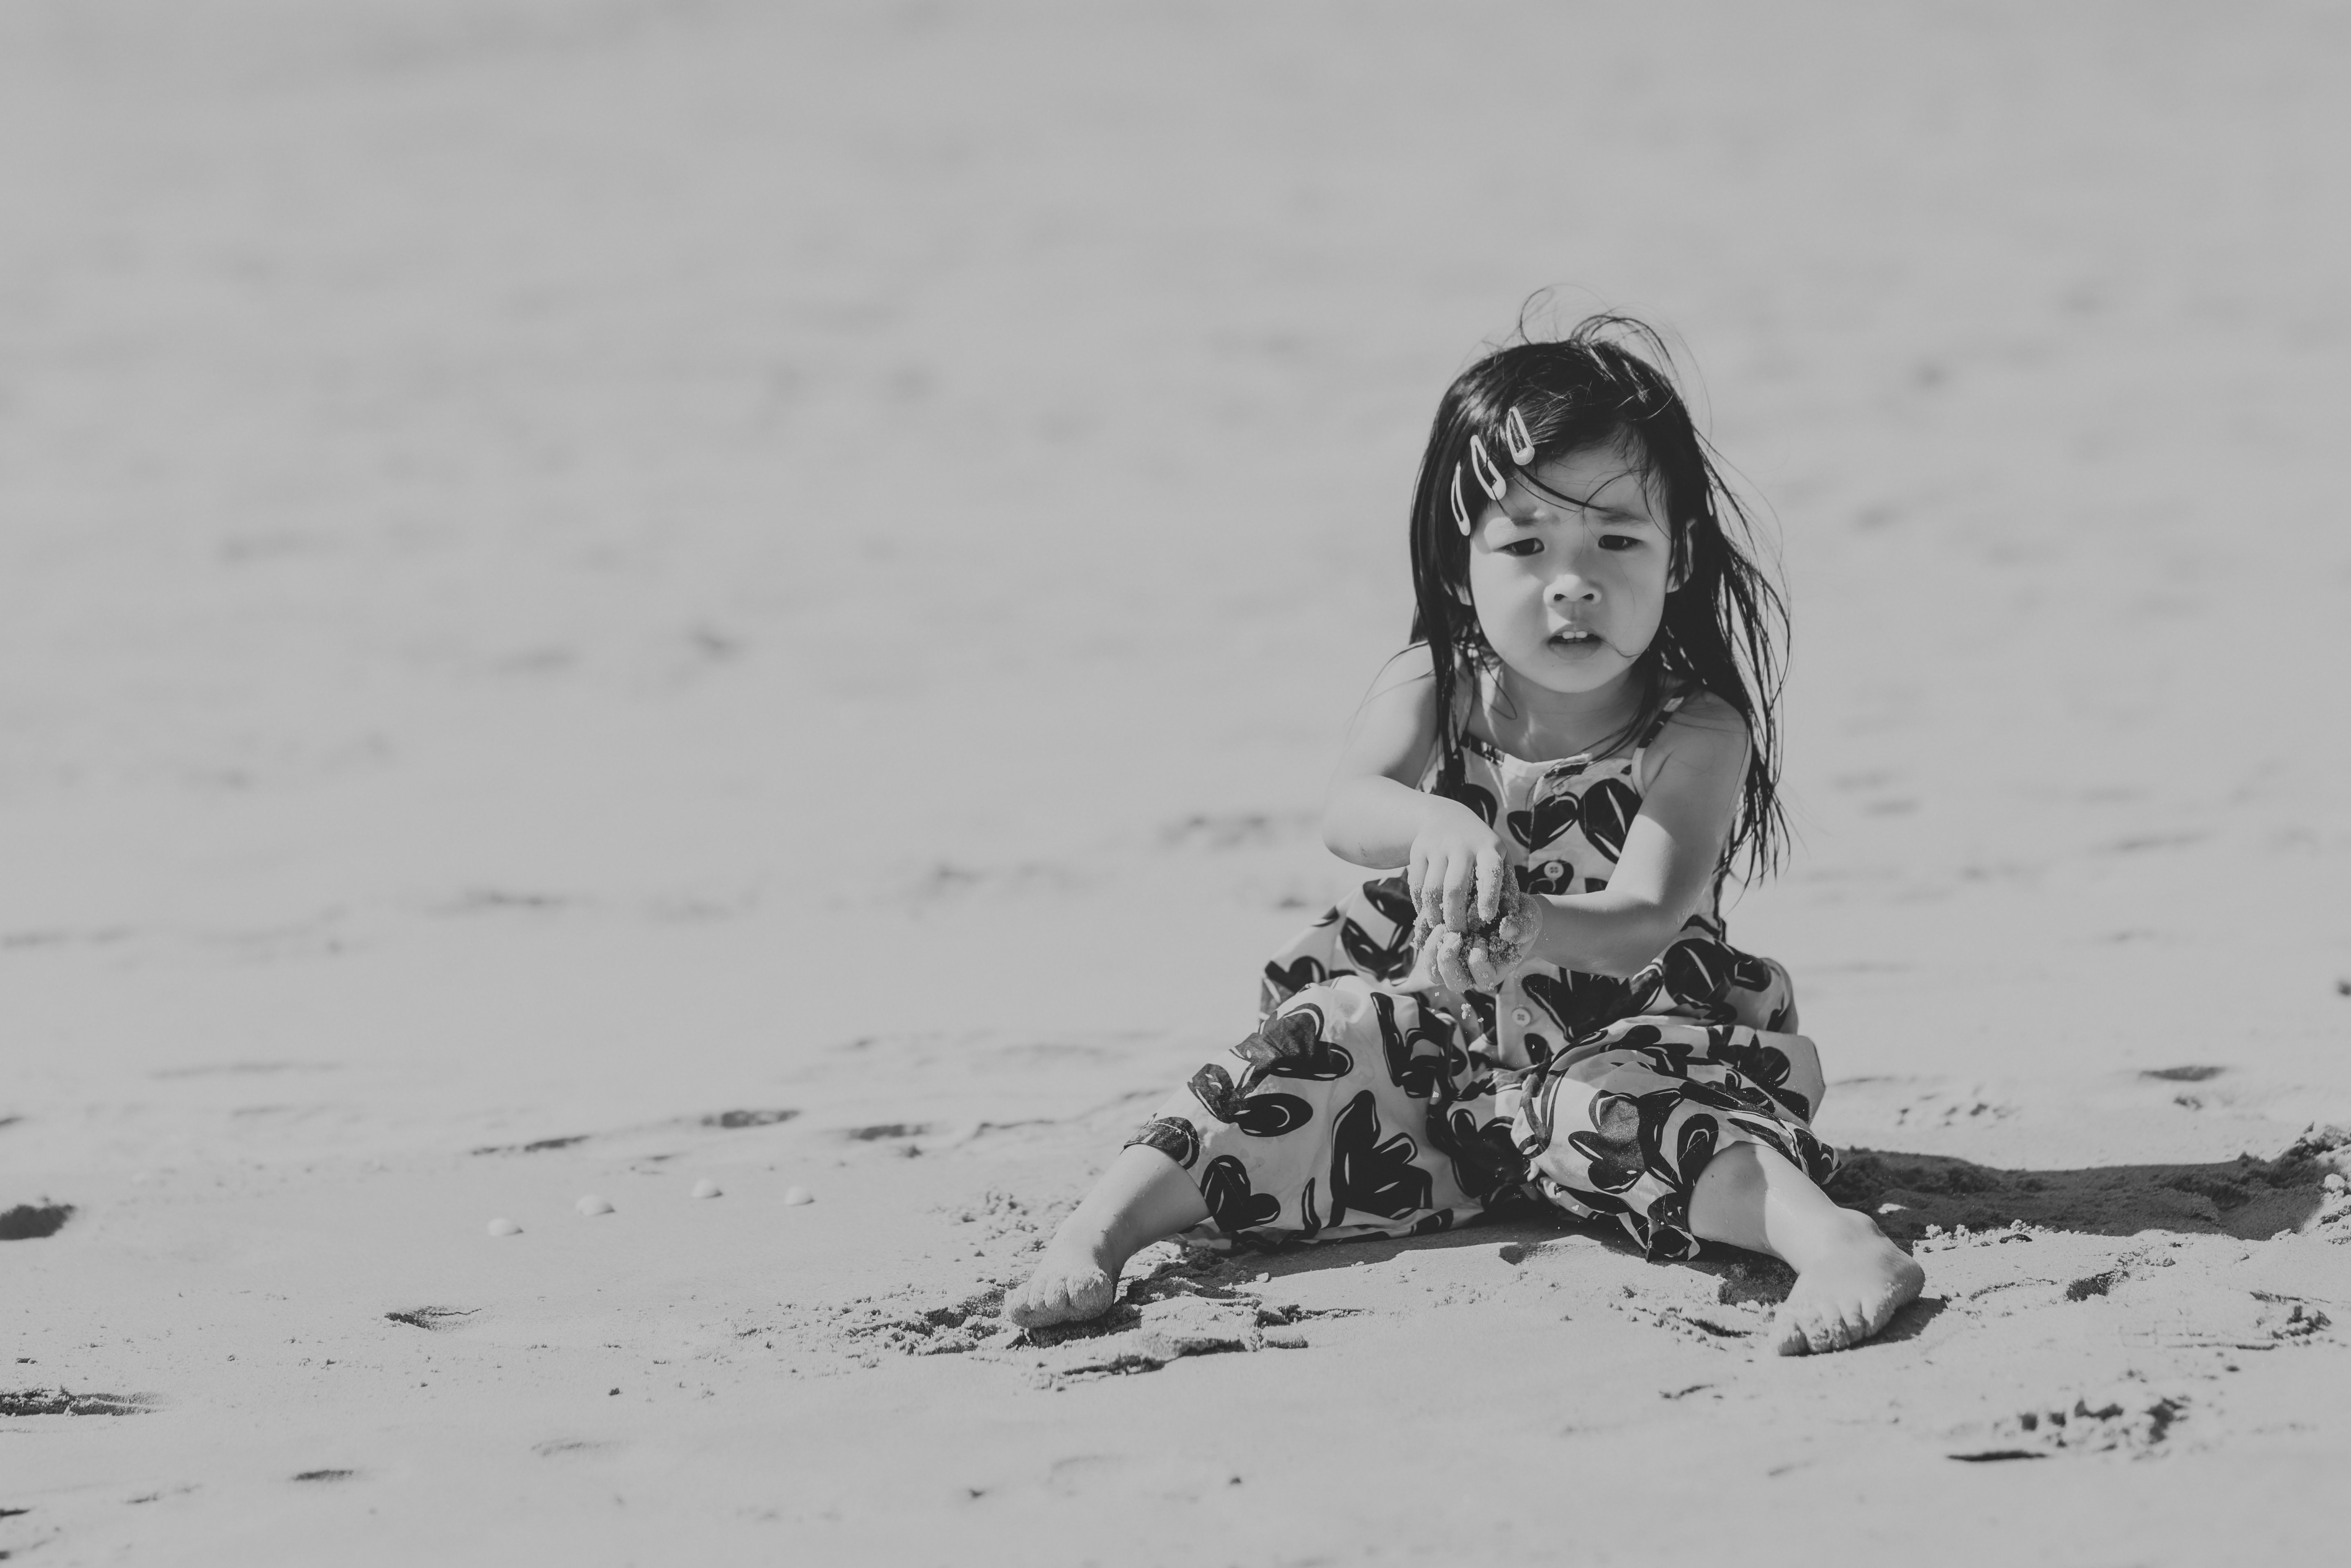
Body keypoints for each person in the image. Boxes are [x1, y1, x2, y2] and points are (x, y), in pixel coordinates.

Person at [1006, 316, 1923, 1354]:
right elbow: (1349, 808)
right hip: (1439, 1046)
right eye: (1526, 543)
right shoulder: (1432, 683)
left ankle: (1836, 1243)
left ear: (1676, 565)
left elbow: (1643, 917)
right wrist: (1435, 814)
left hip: (1624, 1036)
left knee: (1628, 1111)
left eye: (1617, 540)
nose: (1572, 581)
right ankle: (1098, 1230)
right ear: (1458, 567)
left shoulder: (1695, 729)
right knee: (1309, 1045)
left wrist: (1533, 926)